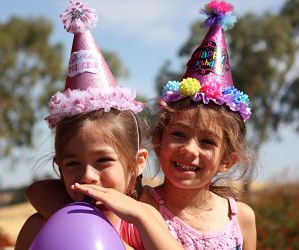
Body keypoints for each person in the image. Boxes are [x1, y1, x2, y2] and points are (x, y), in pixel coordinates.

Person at [25, 0, 257, 249]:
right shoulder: (136, 204)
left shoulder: (240, 217)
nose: (189, 149)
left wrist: (142, 216)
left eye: (207, 141)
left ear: (228, 159)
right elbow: (41, 191)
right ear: (158, 141)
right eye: (179, 134)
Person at [15, 1, 183, 250]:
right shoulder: (40, 225)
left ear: (138, 163)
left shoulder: (143, 225)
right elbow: (37, 190)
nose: (87, 176)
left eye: (103, 160)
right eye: (72, 164)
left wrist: (141, 216)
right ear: (58, 167)